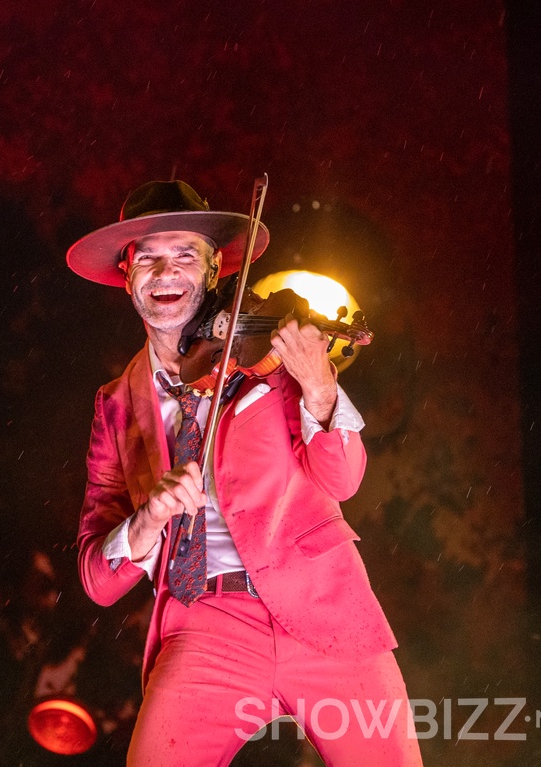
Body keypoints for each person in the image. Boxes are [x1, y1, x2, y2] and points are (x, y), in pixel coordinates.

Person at [67, 180, 422, 766]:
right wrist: (148, 518)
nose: (166, 272)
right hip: (206, 624)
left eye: (185, 255)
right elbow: (97, 580)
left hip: (323, 603)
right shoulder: (116, 404)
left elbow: (342, 481)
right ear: (126, 276)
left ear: (214, 270)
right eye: (148, 258)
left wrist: (320, 388)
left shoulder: (269, 360)